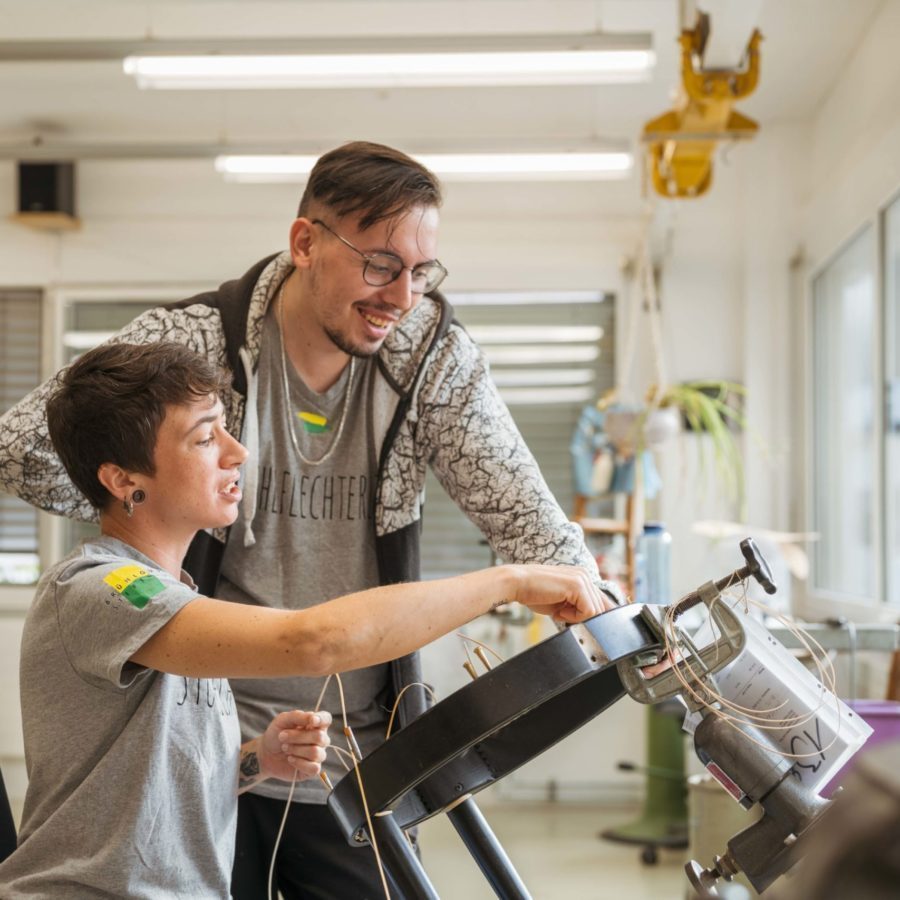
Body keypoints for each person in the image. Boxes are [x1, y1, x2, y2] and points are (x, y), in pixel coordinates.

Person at [0, 141, 620, 898]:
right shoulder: (193, 349)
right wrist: (146, 509)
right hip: (203, 739)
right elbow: (24, 452)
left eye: (422, 273)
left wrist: (613, 623)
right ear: (305, 243)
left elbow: (530, 517)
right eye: (381, 264)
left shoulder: (432, 361)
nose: (402, 295)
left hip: (329, 753)